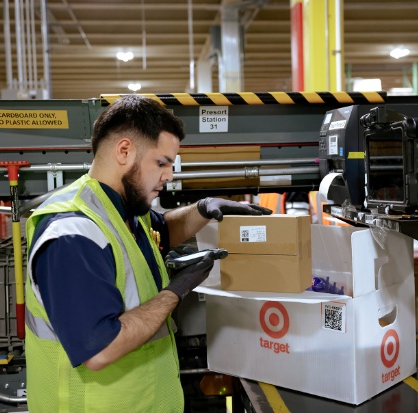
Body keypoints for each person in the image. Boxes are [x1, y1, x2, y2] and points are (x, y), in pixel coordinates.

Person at [24, 94, 272, 413]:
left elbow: (162, 231)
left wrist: (204, 209)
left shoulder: (125, 209)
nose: (168, 176)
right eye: (161, 163)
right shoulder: (72, 233)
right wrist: (176, 291)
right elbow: (100, 348)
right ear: (125, 151)